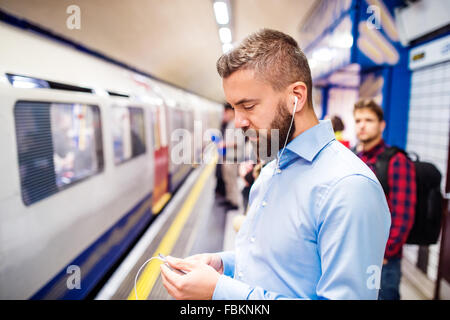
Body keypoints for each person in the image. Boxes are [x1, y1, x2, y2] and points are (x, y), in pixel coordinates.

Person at [160, 29, 391, 300]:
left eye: (248, 106)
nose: (239, 122)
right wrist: (223, 265)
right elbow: (277, 262)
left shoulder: (349, 187)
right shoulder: (272, 169)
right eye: (234, 108)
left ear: (296, 97)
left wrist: (221, 291)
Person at [354, 99, 416, 300]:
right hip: (354, 254)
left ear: (382, 125)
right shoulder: (354, 158)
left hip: (382, 262)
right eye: (358, 120)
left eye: (368, 120)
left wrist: (386, 253)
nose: (362, 125)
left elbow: (403, 214)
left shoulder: (396, 161)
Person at [218, 103, 244, 211]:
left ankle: (234, 202)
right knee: (227, 179)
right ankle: (229, 199)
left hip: (233, 158)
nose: (225, 115)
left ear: (232, 112)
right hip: (227, 157)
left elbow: (238, 142)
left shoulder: (237, 124)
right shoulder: (230, 123)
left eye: (227, 112)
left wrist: (224, 144)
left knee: (232, 180)